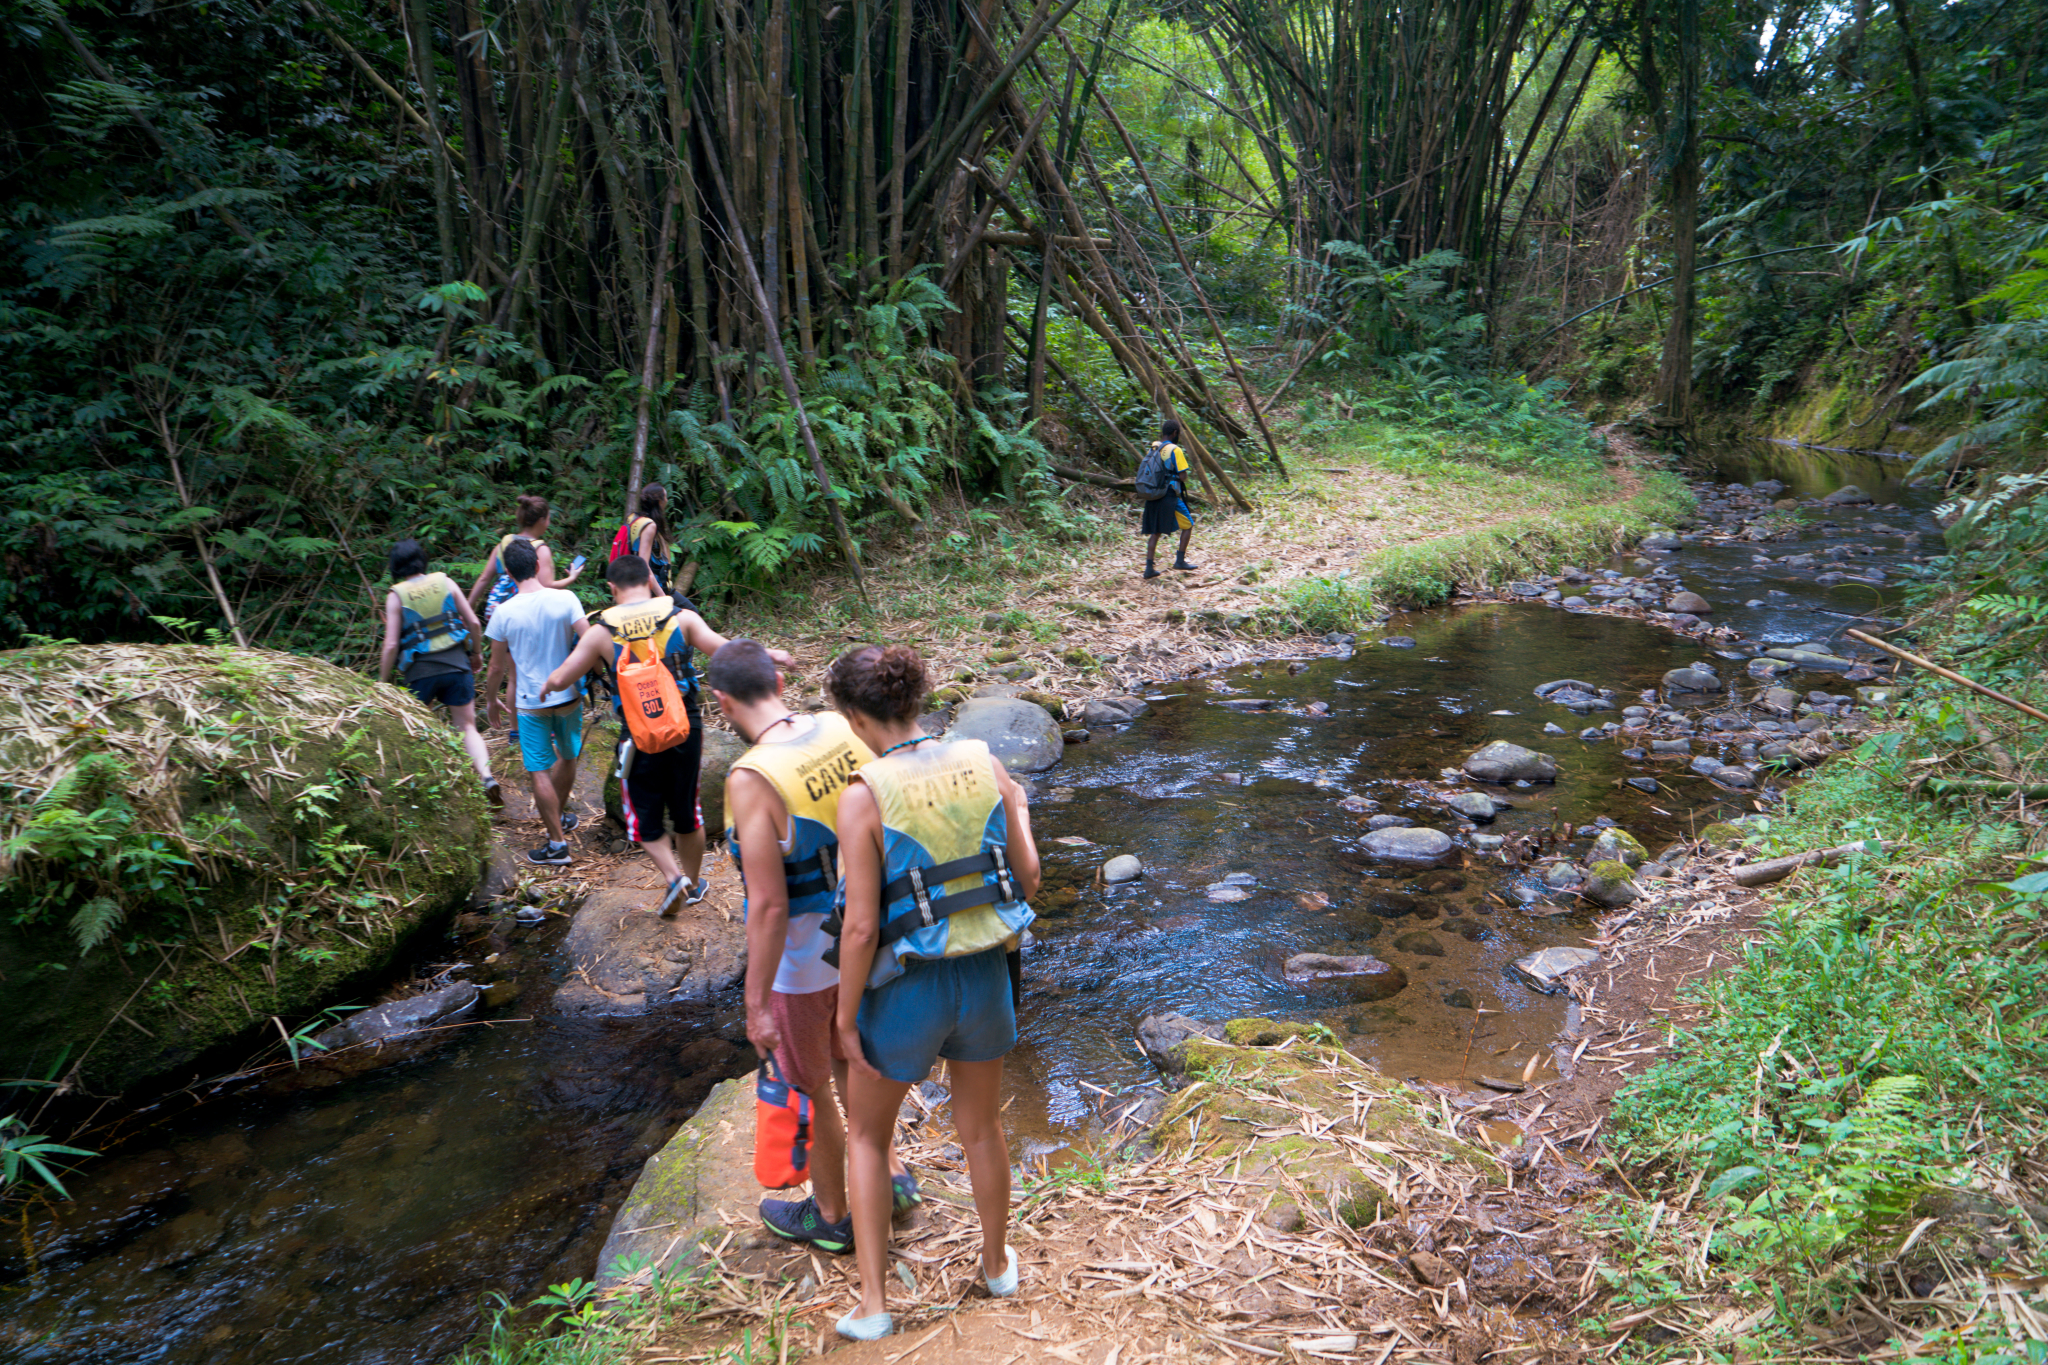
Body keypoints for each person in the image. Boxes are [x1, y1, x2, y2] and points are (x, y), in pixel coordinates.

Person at [824, 644, 1040, 1341]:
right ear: (916, 700)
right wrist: (1021, 809)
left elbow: (860, 926)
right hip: (985, 977)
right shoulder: (986, 763)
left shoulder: (864, 794)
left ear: (855, 714)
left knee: (866, 1133)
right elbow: (1027, 879)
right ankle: (998, 1262)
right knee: (981, 1127)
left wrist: (844, 1014)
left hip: (907, 989)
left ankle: (875, 1304)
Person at [704, 639, 918, 1257]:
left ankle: (830, 1215)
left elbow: (768, 906)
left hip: (801, 963)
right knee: (853, 1055)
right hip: (864, 936)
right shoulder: (833, 726)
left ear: (721, 701)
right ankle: (892, 1174)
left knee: (811, 1085)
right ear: (775, 676)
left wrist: (755, 1005)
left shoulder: (751, 777)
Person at [543, 557, 791, 908]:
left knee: (641, 815)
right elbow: (728, 651)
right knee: (687, 809)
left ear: (612, 589)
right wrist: (773, 653)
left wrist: (546, 685)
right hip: (685, 725)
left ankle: (673, 877)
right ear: (648, 579)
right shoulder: (682, 619)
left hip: (637, 731)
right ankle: (691, 884)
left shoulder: (601, 633)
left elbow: (563, 677)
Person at [483, 538, 589, 865]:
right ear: (538, 566)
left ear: (510, 574)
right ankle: (558, 821)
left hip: (531, 704)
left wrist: (491, 701)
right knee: (568, 757)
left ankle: (557, 844)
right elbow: (589, 639)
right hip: (569, 695)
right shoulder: (566, 598)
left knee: (539, 772)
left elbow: (497, 666)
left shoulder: (503, 612)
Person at [376, 538, 502, 807]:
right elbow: (474, 623)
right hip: (457, 664)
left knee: (418, 731)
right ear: (422, 559)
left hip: (420, 673)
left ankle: (433, 790)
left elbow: (390, 645)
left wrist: (382, 683)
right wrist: (476, 653)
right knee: (468, 726)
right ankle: (486, 776)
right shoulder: (445, 581)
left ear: (395, 567)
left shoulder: (395, 595)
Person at [1141, 417, 1198, 579]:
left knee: (1155, 531)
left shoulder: (1153, 447)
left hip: (1152, 494)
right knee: (1188, 524)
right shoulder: (1175, 450)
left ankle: (1149, 568)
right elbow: (1183, 476)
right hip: (1169, 495)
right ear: (1175, 433)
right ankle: (1180, 560)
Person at [622, 483, 674, 594]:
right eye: (665, 497)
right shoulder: (650, 526)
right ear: (659, 501)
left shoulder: (634, 519)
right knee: (691, 610)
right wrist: (662, 596)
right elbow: (643, 564)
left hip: (634, 583)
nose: (667, 500)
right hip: (653, 588)